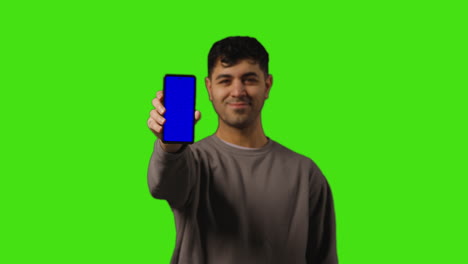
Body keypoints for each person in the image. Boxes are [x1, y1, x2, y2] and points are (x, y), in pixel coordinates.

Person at [147, 36, 338, 264]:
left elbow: (324, 257)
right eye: (225, 81)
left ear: (267, 85)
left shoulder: (306, 173)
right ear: (209, 88)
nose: (237, 91)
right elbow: (162, 184)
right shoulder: (193, 163)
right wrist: (169, 146)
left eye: (249, 79)